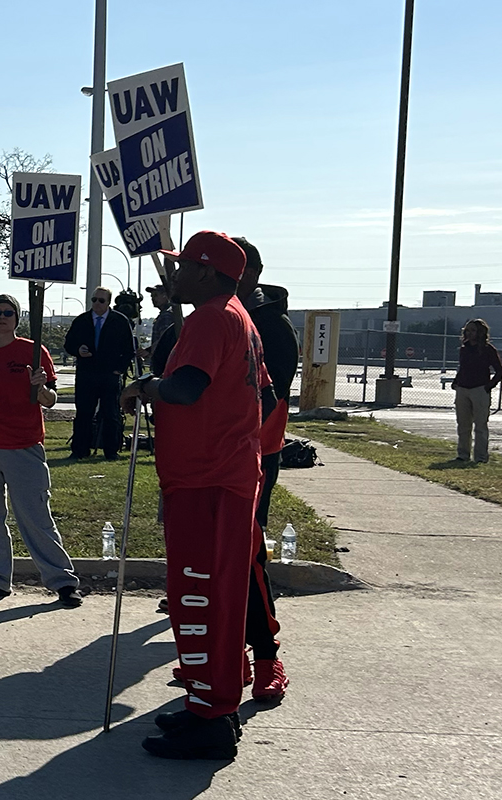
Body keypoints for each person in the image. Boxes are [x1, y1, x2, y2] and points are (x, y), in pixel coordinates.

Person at [121, 231, 276, 761]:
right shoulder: (238, 315)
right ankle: (211, 705)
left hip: (208, 481)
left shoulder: (212, 317)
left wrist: (145, 386)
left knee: (199, 596)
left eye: (182, 265)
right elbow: (267, 392)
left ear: (207, 272)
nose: (172, 273)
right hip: (220, 475)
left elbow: (186, 388)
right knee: (218, 596)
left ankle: (212, 717)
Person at [0, 295, 82, 607]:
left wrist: (40, 389)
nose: (2, 317)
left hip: (23, 446)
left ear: (17, 318)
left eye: (8, 313)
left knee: (36, 516)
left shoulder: (33, 350)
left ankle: (63, 582)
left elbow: (51, 400)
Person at [233, 236, 299, 702]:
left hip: (254, 454)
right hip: (205, 459)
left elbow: (267, 396)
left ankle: (265, 654)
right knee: (215, 561)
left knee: (247, 554)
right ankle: (224, 653)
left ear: (251, 273)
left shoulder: (272, 328)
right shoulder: (206, 319)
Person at [64, 287, 135, 460]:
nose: (97, 303)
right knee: (83, 413)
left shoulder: (119, 321)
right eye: (94, 300)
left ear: (108, 302)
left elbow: (129, 349)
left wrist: (119, 369)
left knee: (111, 413)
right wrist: (78, 350)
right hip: (86, 374)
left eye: (101, 300)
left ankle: (111, 451)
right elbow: (69, 343)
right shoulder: (82, 321)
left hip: (109, 375)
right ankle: (80, 450)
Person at [451, 318, 502, 463]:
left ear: (480, 332)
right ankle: (463, 455)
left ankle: (480, 457)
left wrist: (488, 387)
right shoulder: (464, 348)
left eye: (473, 330)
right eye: (467, 330)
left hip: (480, 390)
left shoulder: (488, 349)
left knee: (480, 426)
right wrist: (456, 382)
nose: (469, 333)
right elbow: (462, 368)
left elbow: (499, 371)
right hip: (462, 389)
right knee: (463, 425)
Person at [138, 284, 177, 375]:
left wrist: (148, 351)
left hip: (163, 363)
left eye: (156, 296)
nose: (153, 299)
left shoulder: (167, 316)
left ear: (165, 296)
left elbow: (164, 340)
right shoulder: (168, 314)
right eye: (152, 296)